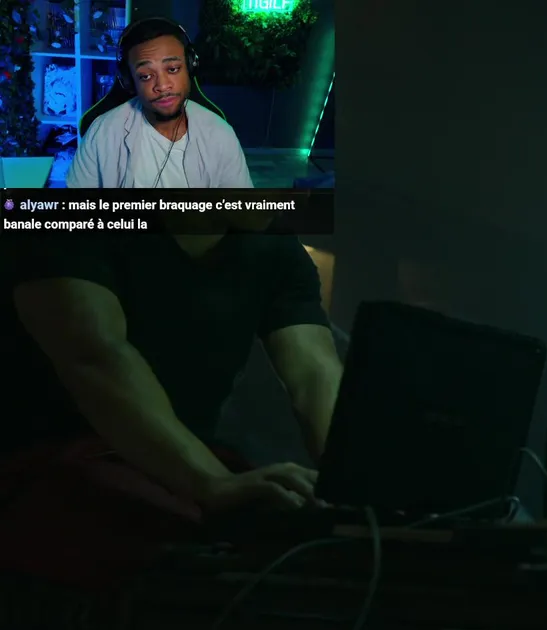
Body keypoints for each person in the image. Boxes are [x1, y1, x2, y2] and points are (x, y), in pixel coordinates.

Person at [0, 236, 344, 589]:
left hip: (181, 470)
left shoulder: (277, 250)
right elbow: (93, 355)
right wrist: (214, 482)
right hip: (41, 466)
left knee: (294, 525)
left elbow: (313, 373)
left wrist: (353, 491)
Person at [66, 17, 253, 188]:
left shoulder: (220, 134)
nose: (162, 86)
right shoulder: (102, 133)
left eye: (172, 69)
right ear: (129, 80)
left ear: (190, 66)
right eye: (146, 76)